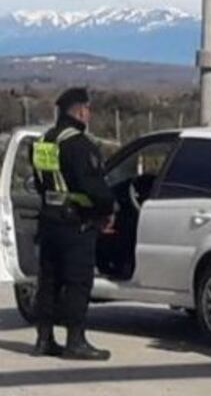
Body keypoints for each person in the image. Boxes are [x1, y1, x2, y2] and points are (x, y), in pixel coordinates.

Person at [31, 87, 115, 360]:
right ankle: (75, 341)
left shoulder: (43, 142)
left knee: (49, 281)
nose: (89, 114)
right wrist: (107, 210)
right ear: (79, 111)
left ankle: (44, 339)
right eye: (88, 109)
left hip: (48, 221)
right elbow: (92, 187)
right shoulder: (79, 145)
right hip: (75, 222)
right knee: (78, 282)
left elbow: (41, 183)